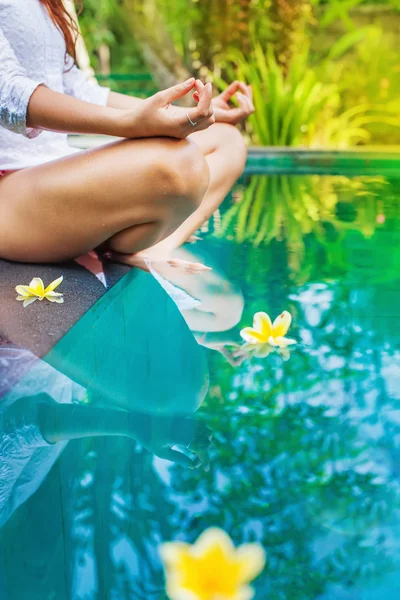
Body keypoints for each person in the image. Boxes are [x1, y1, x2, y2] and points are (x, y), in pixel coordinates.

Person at [0, 0, 254, 270]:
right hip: (11, 189)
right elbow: (7, 92)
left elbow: (79, 91)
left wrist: (184, 114)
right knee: (182, 165)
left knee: (227, 140)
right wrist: (130, 123)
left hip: (55, 173)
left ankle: (157, 249)